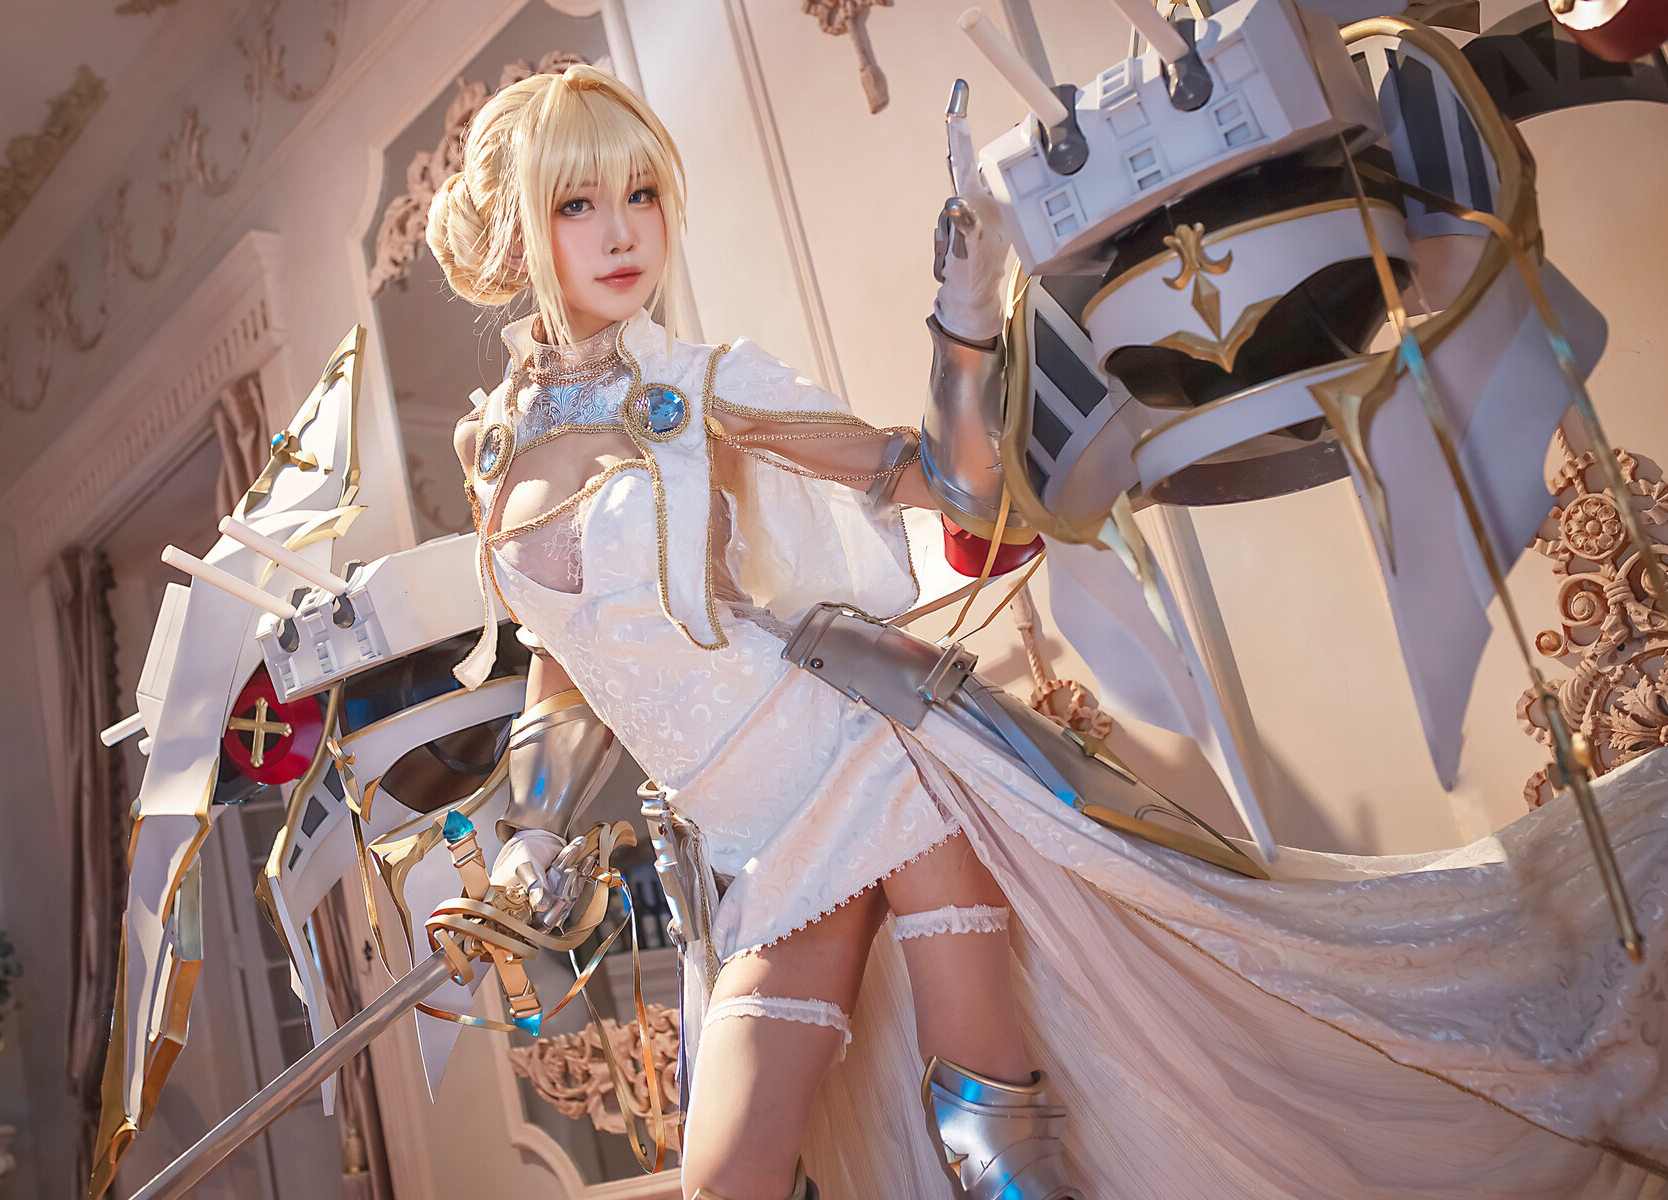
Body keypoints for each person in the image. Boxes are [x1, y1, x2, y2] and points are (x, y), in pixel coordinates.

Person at [425, 65, 1664, 1200]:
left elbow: (950, 486)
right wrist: (529, 836)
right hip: (751, 842)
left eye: (641, 194)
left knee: (991, 1147)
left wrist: (963, 319)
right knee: (725, 1182)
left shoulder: (700, 389)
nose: (624, 231)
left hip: (870, 764)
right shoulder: (494, 447)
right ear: (524, 230)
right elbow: (564, 666)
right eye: (580, 203)